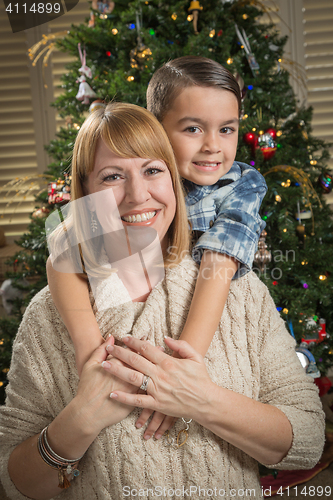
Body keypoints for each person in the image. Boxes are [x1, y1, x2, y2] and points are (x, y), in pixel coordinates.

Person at [0, 103, 325, 500]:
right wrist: (80, 420)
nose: (138, 196)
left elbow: (307, 439)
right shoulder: (47, 316)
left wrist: (203, 400)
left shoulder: (239, 290)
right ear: (86, 195)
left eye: (153, 170)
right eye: (113, 176)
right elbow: (15, 486)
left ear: (174, 181)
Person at [46, 57, 267, 439]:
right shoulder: (140, 173)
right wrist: (91, 358)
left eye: (227, 129)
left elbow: (219, 266)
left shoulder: (239, 186)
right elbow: (62, 246)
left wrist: (180, 372)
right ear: (157, 132)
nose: (213, 146)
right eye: (194, 128)